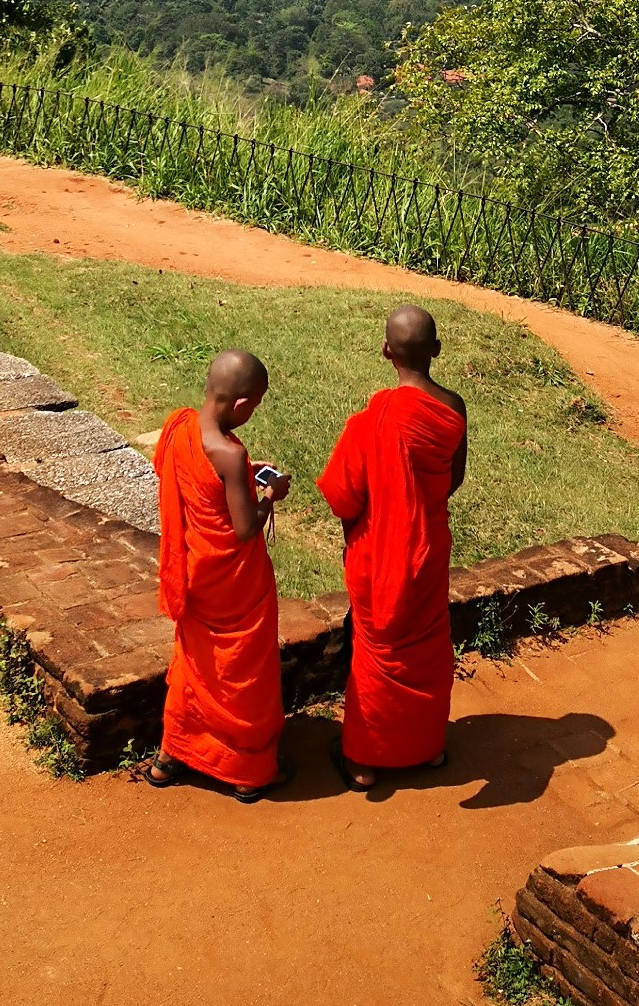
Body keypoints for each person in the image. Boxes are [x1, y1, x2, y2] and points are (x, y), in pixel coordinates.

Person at [317, 304, 468, 789]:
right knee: (425, 646)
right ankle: (427, 748)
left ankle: (363, 760)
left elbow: (344, 497)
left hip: (378, 554)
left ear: (386, 351)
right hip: (429, 548)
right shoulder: (453, 407)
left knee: (377, 649)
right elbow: (453, 480)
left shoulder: (373, 418)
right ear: (437, 351)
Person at [147, 349, 294, 802]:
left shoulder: (178, 428)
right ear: (244, 405)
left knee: (195, 665)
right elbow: (246, 527)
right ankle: (245, 768)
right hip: (234, 586)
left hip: (194, 573)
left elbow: (183, 479)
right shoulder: (231, 453)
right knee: (240, 670)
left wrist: (240, 480)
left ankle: (170, 756)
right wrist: (269, 494)